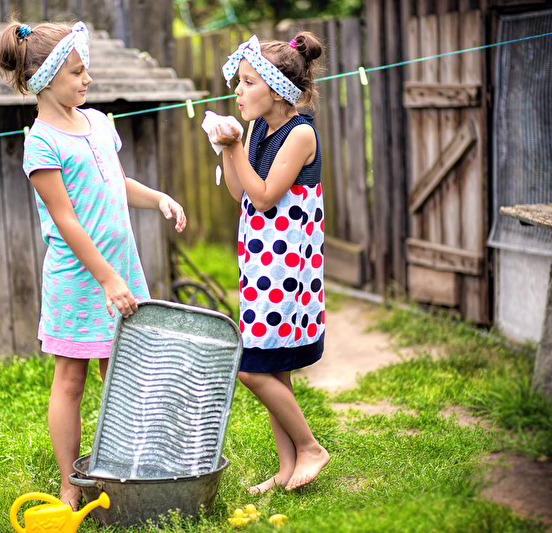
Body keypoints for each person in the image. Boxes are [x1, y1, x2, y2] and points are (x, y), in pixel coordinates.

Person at [0, 19, 186, 509]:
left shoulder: (99, 122)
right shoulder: (41, 143)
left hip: (120, 269)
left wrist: (157, 197)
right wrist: (106, 278)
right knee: (71, 378)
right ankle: (69, 481)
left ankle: (130, 464)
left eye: (86, 70)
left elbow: (117, 183)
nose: (87, 80)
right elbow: (67, 220)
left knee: (121, 371)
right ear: (43, 78)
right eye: (77, 72)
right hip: (81, 280)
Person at [205, 32, 330, 493]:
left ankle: (311, 448)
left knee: (252, 367)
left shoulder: (299, 134)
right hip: (260, 264)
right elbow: (240, 193)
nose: (237, 92)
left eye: (247, 82)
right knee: (275, 368)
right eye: (238, 82)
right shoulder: (259, 128)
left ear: (277, 89)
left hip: (286, 270)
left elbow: (263, 197)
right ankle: (286, 466)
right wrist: (227, 146)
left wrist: (234, 145)